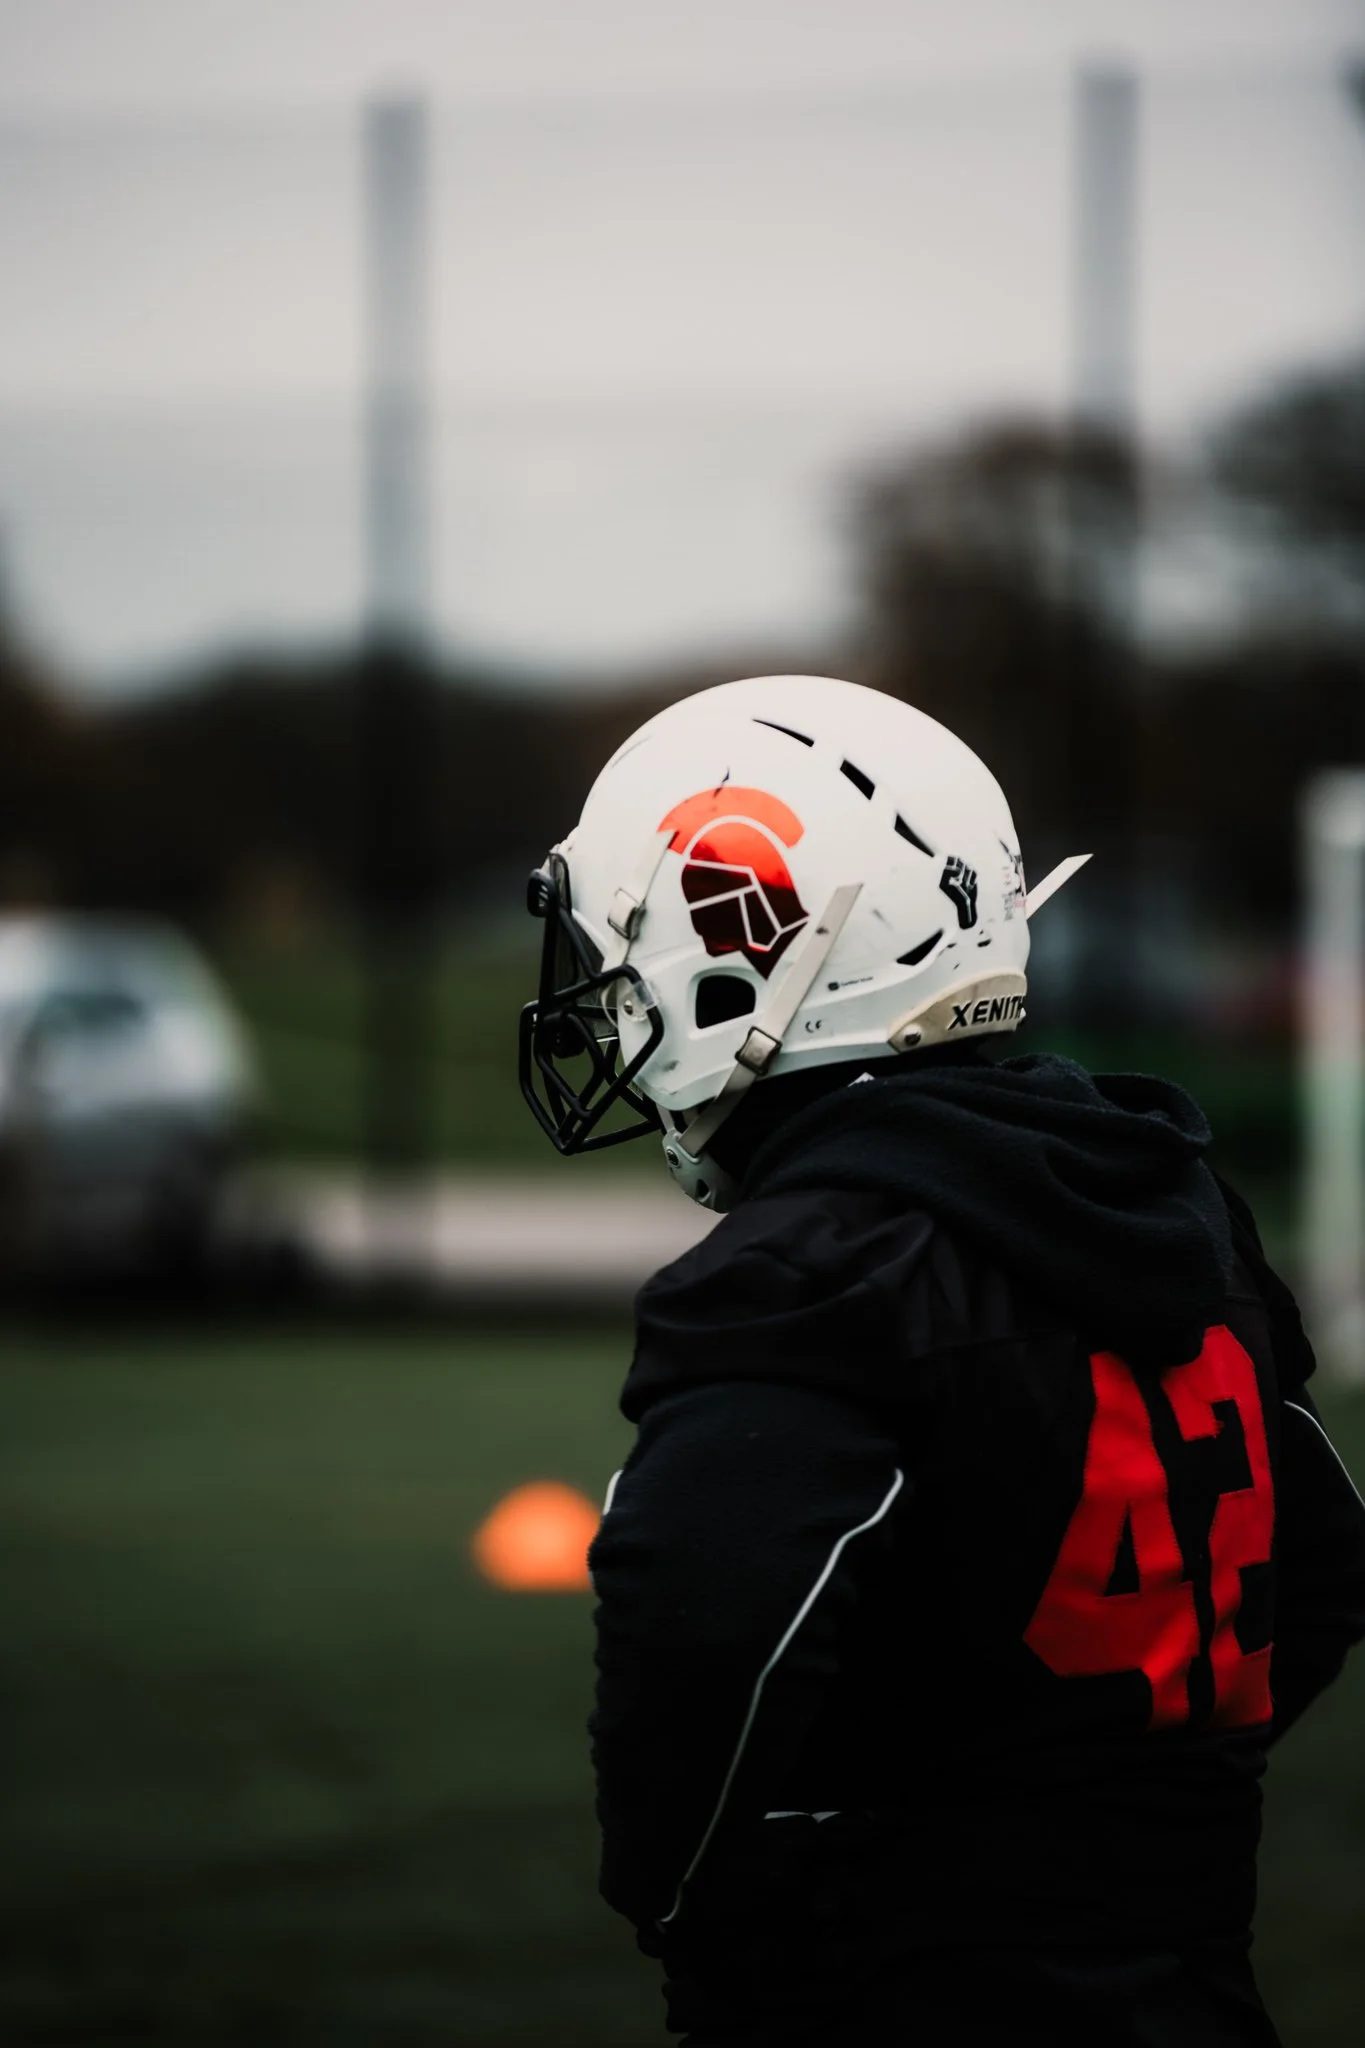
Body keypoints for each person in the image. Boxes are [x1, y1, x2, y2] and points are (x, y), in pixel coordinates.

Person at [518, 674, 1365, 2046]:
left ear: (757, 944)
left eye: (623, 948)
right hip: (1192, 1989)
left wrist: (707, 1911)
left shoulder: (815, 1266)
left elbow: (706, 1645)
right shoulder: (1165, 1197)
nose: (606, 1000)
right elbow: (1320, 1562)